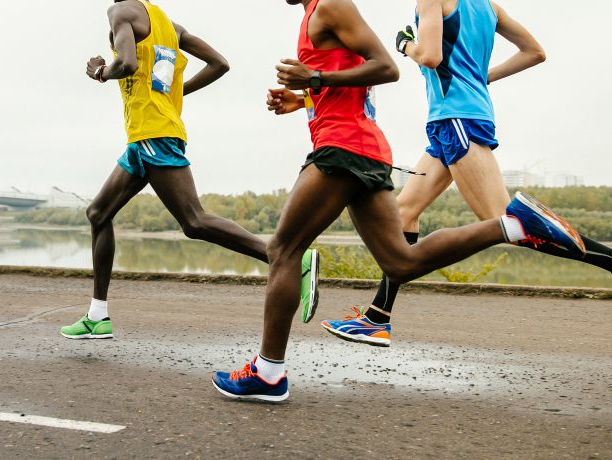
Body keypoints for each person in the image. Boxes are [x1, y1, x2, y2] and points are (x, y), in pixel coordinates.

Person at [211, 0, 587, 402]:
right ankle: (512, 225)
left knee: (284, 250)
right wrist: (305, 99)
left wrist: (315, 79)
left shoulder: (331, 6)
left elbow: (386, 67)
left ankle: (268, 374)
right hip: (363, 147)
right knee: (401, 262)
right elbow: (354, 86)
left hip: (344, 147)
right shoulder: (318, 14)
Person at [321, 0, 612, 346]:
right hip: (457, 121)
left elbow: (429, 56)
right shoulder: (488, 7)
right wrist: (479, 77)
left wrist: (405, 44)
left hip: (455, 119)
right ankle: (376, 318)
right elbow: (534, 52)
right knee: (405, 212)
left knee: (506, 222)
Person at [60, 0, 319, 340]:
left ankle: (287, 258)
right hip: (144, 138)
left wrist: (99, 72)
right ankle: (98, 316)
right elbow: (219, 64)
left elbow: (124, 63)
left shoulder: (121, 11)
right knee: (98, 213)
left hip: (154, 134)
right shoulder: (167, 25)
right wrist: (173, 93)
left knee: (194, 221)